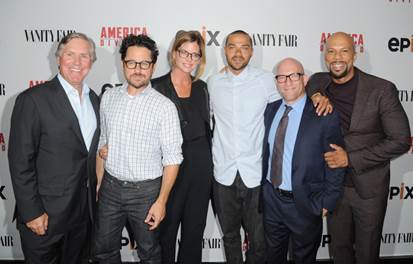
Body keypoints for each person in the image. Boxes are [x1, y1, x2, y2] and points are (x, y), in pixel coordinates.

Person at [208, 30, 331, 264]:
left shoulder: (267, 80)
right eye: (232, 46)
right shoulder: (213, 83)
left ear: (251, 51)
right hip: (222, 174)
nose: (238, 52)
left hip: (256, 173)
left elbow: (296, 90)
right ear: (225, 50)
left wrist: (316, 93)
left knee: (258, 239)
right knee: (230, 236)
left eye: (244, 47)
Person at [306, 32, 411, 264]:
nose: (337, 57)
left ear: (355, 54)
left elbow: (401, 140)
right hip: (334, 187)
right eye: (331, 51)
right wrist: (315, 94)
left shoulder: (381, 89)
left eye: (344, 51)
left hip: (369, 189)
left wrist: (350, 159)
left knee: (367, 253)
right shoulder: (320, 82)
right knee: (339, 251)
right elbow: (311, 82)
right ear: (325, 55)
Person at [8, 32, 100, 264]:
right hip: (45, 217)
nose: (77, 62)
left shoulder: (96, 100)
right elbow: (20, 162)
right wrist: (32, 212)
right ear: (58, 58)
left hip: (83, 217)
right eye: (70, 55)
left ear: (92, 61)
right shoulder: (33, 100)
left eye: (84, 56)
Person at [93, 34, 183, 264]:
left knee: (150, 254)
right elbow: (103, 142)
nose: (138, 69)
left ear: (153, 67)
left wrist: (161, 201)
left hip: (146, 193)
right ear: (122, 63)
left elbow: (173, 159)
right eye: (132, 62)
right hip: (110, 189)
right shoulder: (109, 98)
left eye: (145, 63)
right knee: (103, 251)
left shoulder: (164, 107)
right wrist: (100, 181)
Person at [262, 57, 345, 263]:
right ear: (276, 82)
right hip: (272, 201)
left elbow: (335, 161)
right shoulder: (270, 110)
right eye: (281, 77)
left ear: (305, 78)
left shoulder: (324, 113)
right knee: (273, 257)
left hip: (305, 203)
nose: (287, 81)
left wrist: (327, 201)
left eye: (293, 76)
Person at [151, 30, 212, 263]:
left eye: (195, 55)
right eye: (184, 52)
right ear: (174, 53)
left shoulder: (202, 88)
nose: (189, 59)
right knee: (165, 231)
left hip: (201, 167)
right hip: (169, 168)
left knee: (194, 231)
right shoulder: (156, 87)